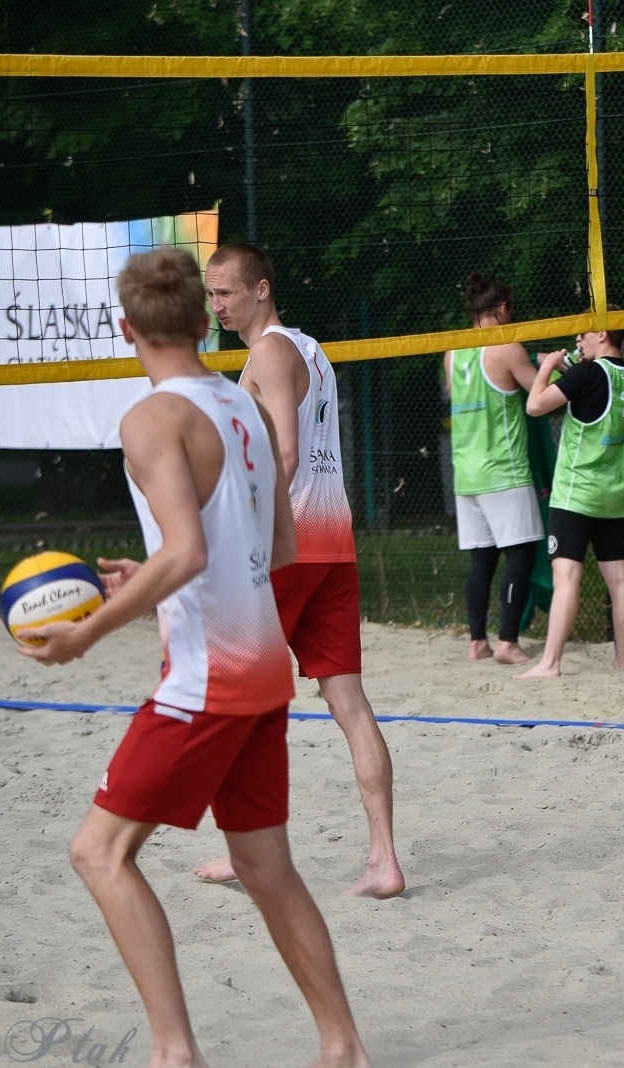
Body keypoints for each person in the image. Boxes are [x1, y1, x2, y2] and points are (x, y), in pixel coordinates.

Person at [18, 247, 374, 1068]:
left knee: (97, 853)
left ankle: (174, 1052)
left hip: (206, 680)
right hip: (262, 674)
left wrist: (90, 630)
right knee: (264, 864)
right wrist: (155, 571)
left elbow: (185, 551)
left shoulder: (153, 416)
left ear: (128, 327)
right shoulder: (238, 401)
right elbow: (276, 543)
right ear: (196, 315)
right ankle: (342, 1044)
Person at [197, 242, 404, 899]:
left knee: (235, 699)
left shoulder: (268, 352)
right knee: (348, 703)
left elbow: (284, 454)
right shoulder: (313, 349)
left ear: (262, 288)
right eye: (210, 294)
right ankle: (384, 861)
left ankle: (247, 853)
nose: (216, 305)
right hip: (332, 543)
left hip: (285, 549)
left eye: (227, 292)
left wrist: (240, 532)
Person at [514, 323, 624, 679]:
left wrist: (545, 368)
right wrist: (564, 365)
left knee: (566, 576)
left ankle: (550, 663)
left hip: (575, 493)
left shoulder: (586, 373)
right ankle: (622, 663)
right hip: (614, 495)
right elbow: (594, 384)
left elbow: (536, 405)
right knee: (619, 580)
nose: (576, 339)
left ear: (602, 334)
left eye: (582, 333)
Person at [445, 273, 543, 665]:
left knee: (481, 560)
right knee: (520, 556)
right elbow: (540, 393)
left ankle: (477, 642)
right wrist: (556, 366)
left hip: (465, 472)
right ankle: (507, 641)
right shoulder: (506, 347)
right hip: (503, 469)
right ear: (501, 309)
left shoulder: (453, 352)